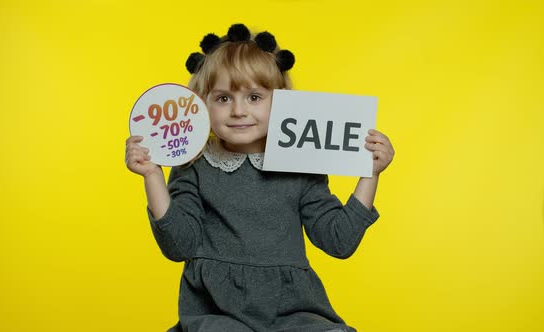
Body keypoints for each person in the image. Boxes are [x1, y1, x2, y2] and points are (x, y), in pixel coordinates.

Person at [125, 23, 395, 332]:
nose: (239, 110)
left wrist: (369, 172)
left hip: (293, 311)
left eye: (254, 97)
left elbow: (339, 241)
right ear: (202, 103)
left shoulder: (301, 160)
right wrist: (152, 176)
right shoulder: (193, 163)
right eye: (223, 98)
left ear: (281, 101)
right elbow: (178, 246)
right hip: (217, 311)